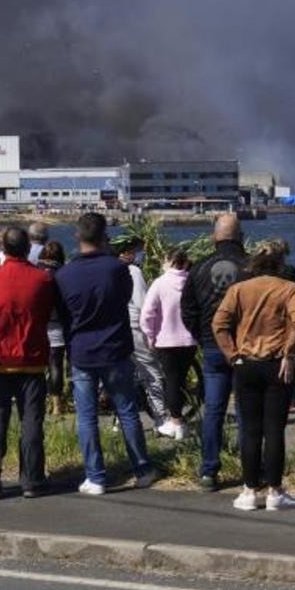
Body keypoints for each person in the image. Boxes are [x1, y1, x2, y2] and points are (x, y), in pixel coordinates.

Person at [54, 212, 157, 495]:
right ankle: (142, 468)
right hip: (115, 348)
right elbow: (124, 298)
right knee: (127, 411)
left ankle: (96, 476)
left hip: (82, 350)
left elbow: (63, 314)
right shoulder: (117, 269)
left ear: (77, 236)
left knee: (86, 416)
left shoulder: (64, 274)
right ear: (103, 237)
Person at [212, 243, 295, 511]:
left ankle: (249, 490)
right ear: (280, 264)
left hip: (246, 363)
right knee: (274, 430)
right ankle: (275, 491)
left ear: (254, 263)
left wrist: (232, 354)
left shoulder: (238, 290)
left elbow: (219, 323)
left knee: (250, 430)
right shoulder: (289, 289)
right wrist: (290, 352)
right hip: (278, 363)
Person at [0, 227, 55, 500]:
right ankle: (31, 478)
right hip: (31, 357)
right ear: (29, 248)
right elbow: (46, 312)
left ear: (3, 247)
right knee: (31, 421)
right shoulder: (41, 279)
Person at [181, 214, 250, 491]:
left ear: (214, 238)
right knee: (246, 411)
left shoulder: (198, 268)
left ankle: (209, 470)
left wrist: (203, 336)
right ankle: (250, 471)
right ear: (241, 237)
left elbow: (187, 310)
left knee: (213, 411)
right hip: (245, 348)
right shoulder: (251, 266)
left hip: (211, 347)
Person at [141, 248, 198, 440]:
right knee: (180, 381)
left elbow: (147, 314)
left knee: (171, 381)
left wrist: (149, 336)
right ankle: (178, 419)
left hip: (165, 340)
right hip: (189, 340)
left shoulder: (160, 283)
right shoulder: (193, 281)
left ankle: (176, 422)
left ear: (169, 261)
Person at [114, 236, 166, 425]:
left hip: (117, 328)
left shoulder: (112, 270)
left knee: (123, 375)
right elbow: (143, 304)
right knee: (151, 373)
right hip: (135, 328)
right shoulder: (134, 271)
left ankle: (120, 419)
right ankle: (160, 419)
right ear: (131, 252)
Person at [37, 241, 68, 415]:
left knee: (38, 365)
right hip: (58, 324)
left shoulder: (35, 272)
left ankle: (39, 398)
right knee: (56, 364)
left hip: (38, 324)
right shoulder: (65, 274)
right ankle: (57, 403)